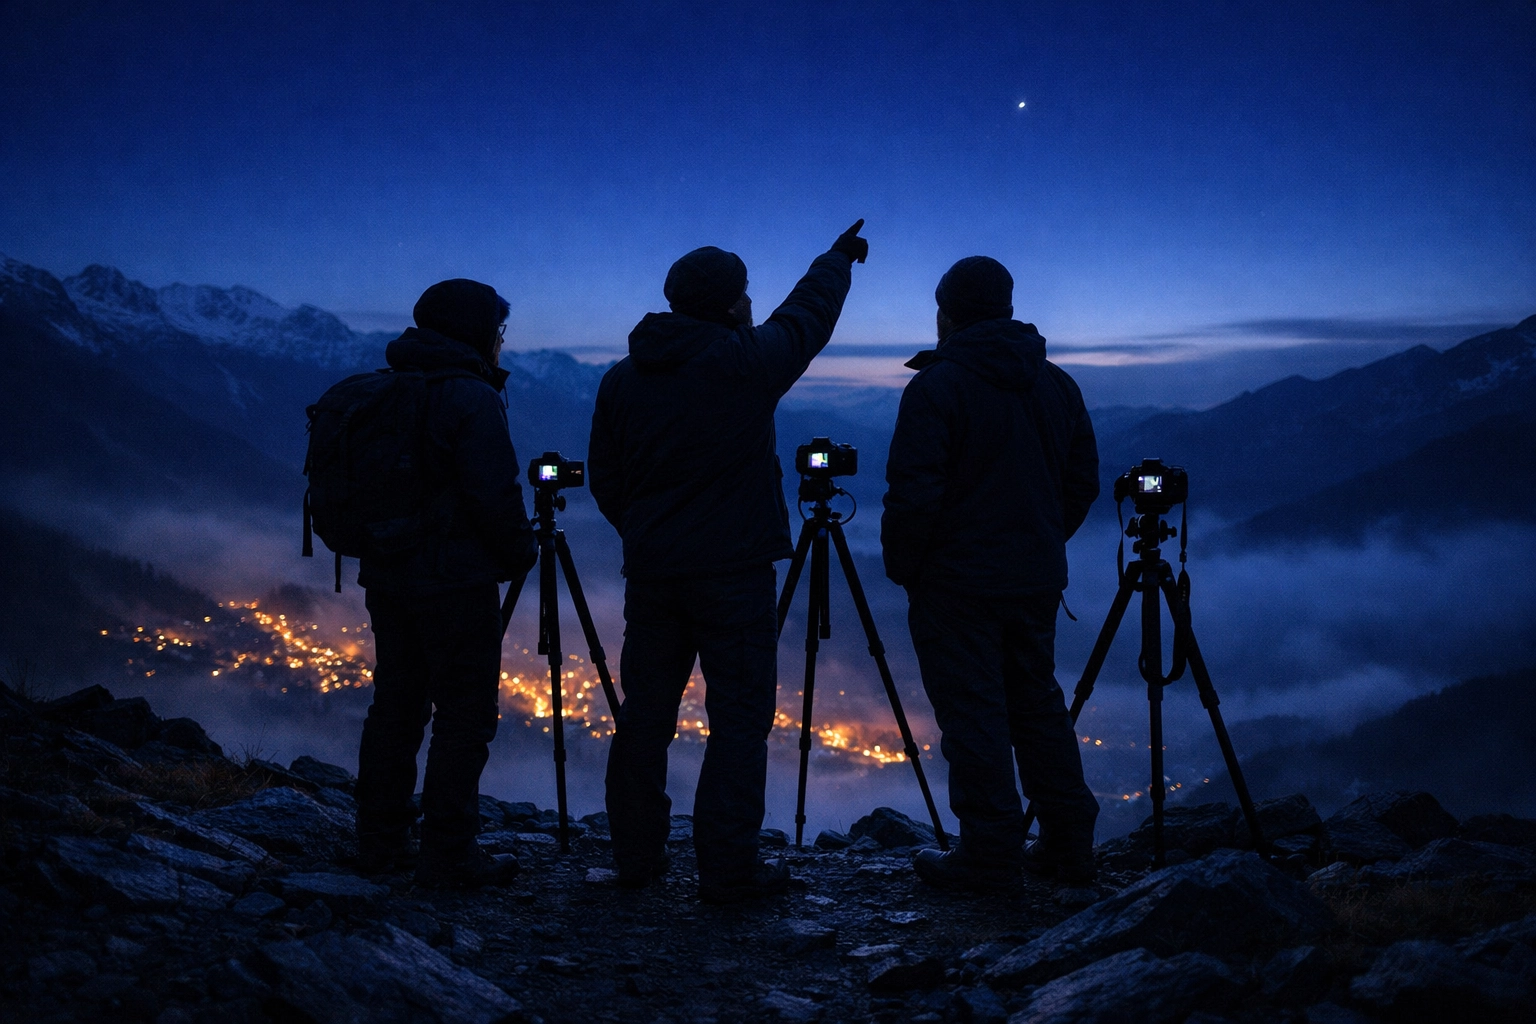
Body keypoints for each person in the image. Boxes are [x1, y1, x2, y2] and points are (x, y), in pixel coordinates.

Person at [589, 220, 869, 902]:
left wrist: (650, 534)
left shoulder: (622, 379)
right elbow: (806, 318)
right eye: (745, 295)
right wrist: (834, 259)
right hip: (735, 574)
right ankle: (728, 869)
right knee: (739, 720)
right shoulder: (744, 362)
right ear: (729, 303)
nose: (752, 304)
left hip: (653, 577)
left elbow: (604, 478)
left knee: (644, 716)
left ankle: (635, 859)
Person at [881, 256, 1101, 890]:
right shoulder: (1056, 384)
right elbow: (1081, 482)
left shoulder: (937, 388)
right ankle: (1067, 842)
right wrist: (1037, 542)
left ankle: (989, 853)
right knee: (1036, 703)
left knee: (973, 713)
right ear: (1006, 306)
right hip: (1033, 581)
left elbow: (913, 495)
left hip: (956, 586)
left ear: (948, 313)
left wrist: (909, 568)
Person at [353, 279, 538, 888]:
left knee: (396, 706)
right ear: (480, 332)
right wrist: (520, 553)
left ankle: (380, 843)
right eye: (498, 332)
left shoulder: (383, 389)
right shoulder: (471, 396)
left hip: (386, 572)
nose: (501, 344)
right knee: (463, 715)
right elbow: (495, 493)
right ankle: (450, 854)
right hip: (456, 583)